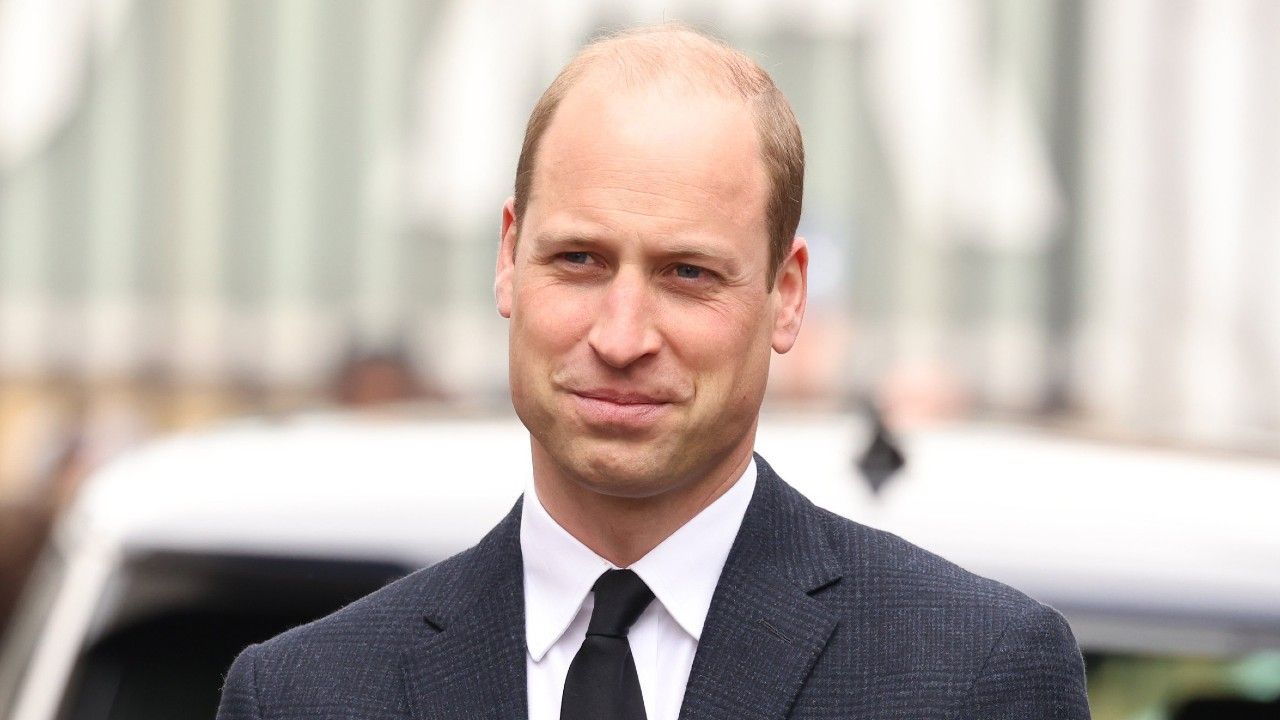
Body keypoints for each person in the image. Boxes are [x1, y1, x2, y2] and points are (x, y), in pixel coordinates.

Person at [217, 24, 1090, 720]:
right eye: (580, 260)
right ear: (507, 259)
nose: (623, 335)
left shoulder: (971, 675)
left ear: (788, 298)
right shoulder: (307, 694)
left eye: (687, 274)